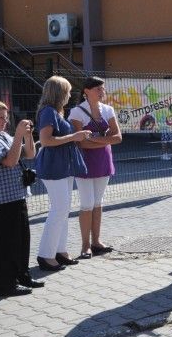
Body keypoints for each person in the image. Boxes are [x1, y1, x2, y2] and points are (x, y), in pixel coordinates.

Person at [35, 76, 91, 272]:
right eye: (67, 91)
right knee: (59, 209)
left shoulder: (55, 111)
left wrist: (76, 136)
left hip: (63, 166)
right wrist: (75, 136)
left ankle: (60, 251)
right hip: (53, 167)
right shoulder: (49, 112)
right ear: (59, 93)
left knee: (63, 209)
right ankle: (45, 255)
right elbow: (46, 141)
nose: (69, 95)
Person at [68, 77, 121, 259]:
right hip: (85, 163)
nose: (102, 91)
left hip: (104, 161)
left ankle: (96, 241)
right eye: (98, 88)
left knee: (98, 203)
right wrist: (104, 140)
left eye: (102, 88)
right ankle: (85, 245)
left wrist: (93, 139)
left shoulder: (108, 110)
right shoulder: (77, 112)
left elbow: (118, 137)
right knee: (87, 204)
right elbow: (80, 143)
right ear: (86, 91)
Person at [0, 100, 41, 296]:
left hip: (17, 196)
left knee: (22, 240)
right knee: (6, 244)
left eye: (6, 117)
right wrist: (19, 135)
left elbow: (29, 154)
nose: (5, 121)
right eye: (0, 118)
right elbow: (11, 161)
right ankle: (5, 284)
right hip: (1, 202)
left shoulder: (3, 136)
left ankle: (22, 275)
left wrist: (27, 136)